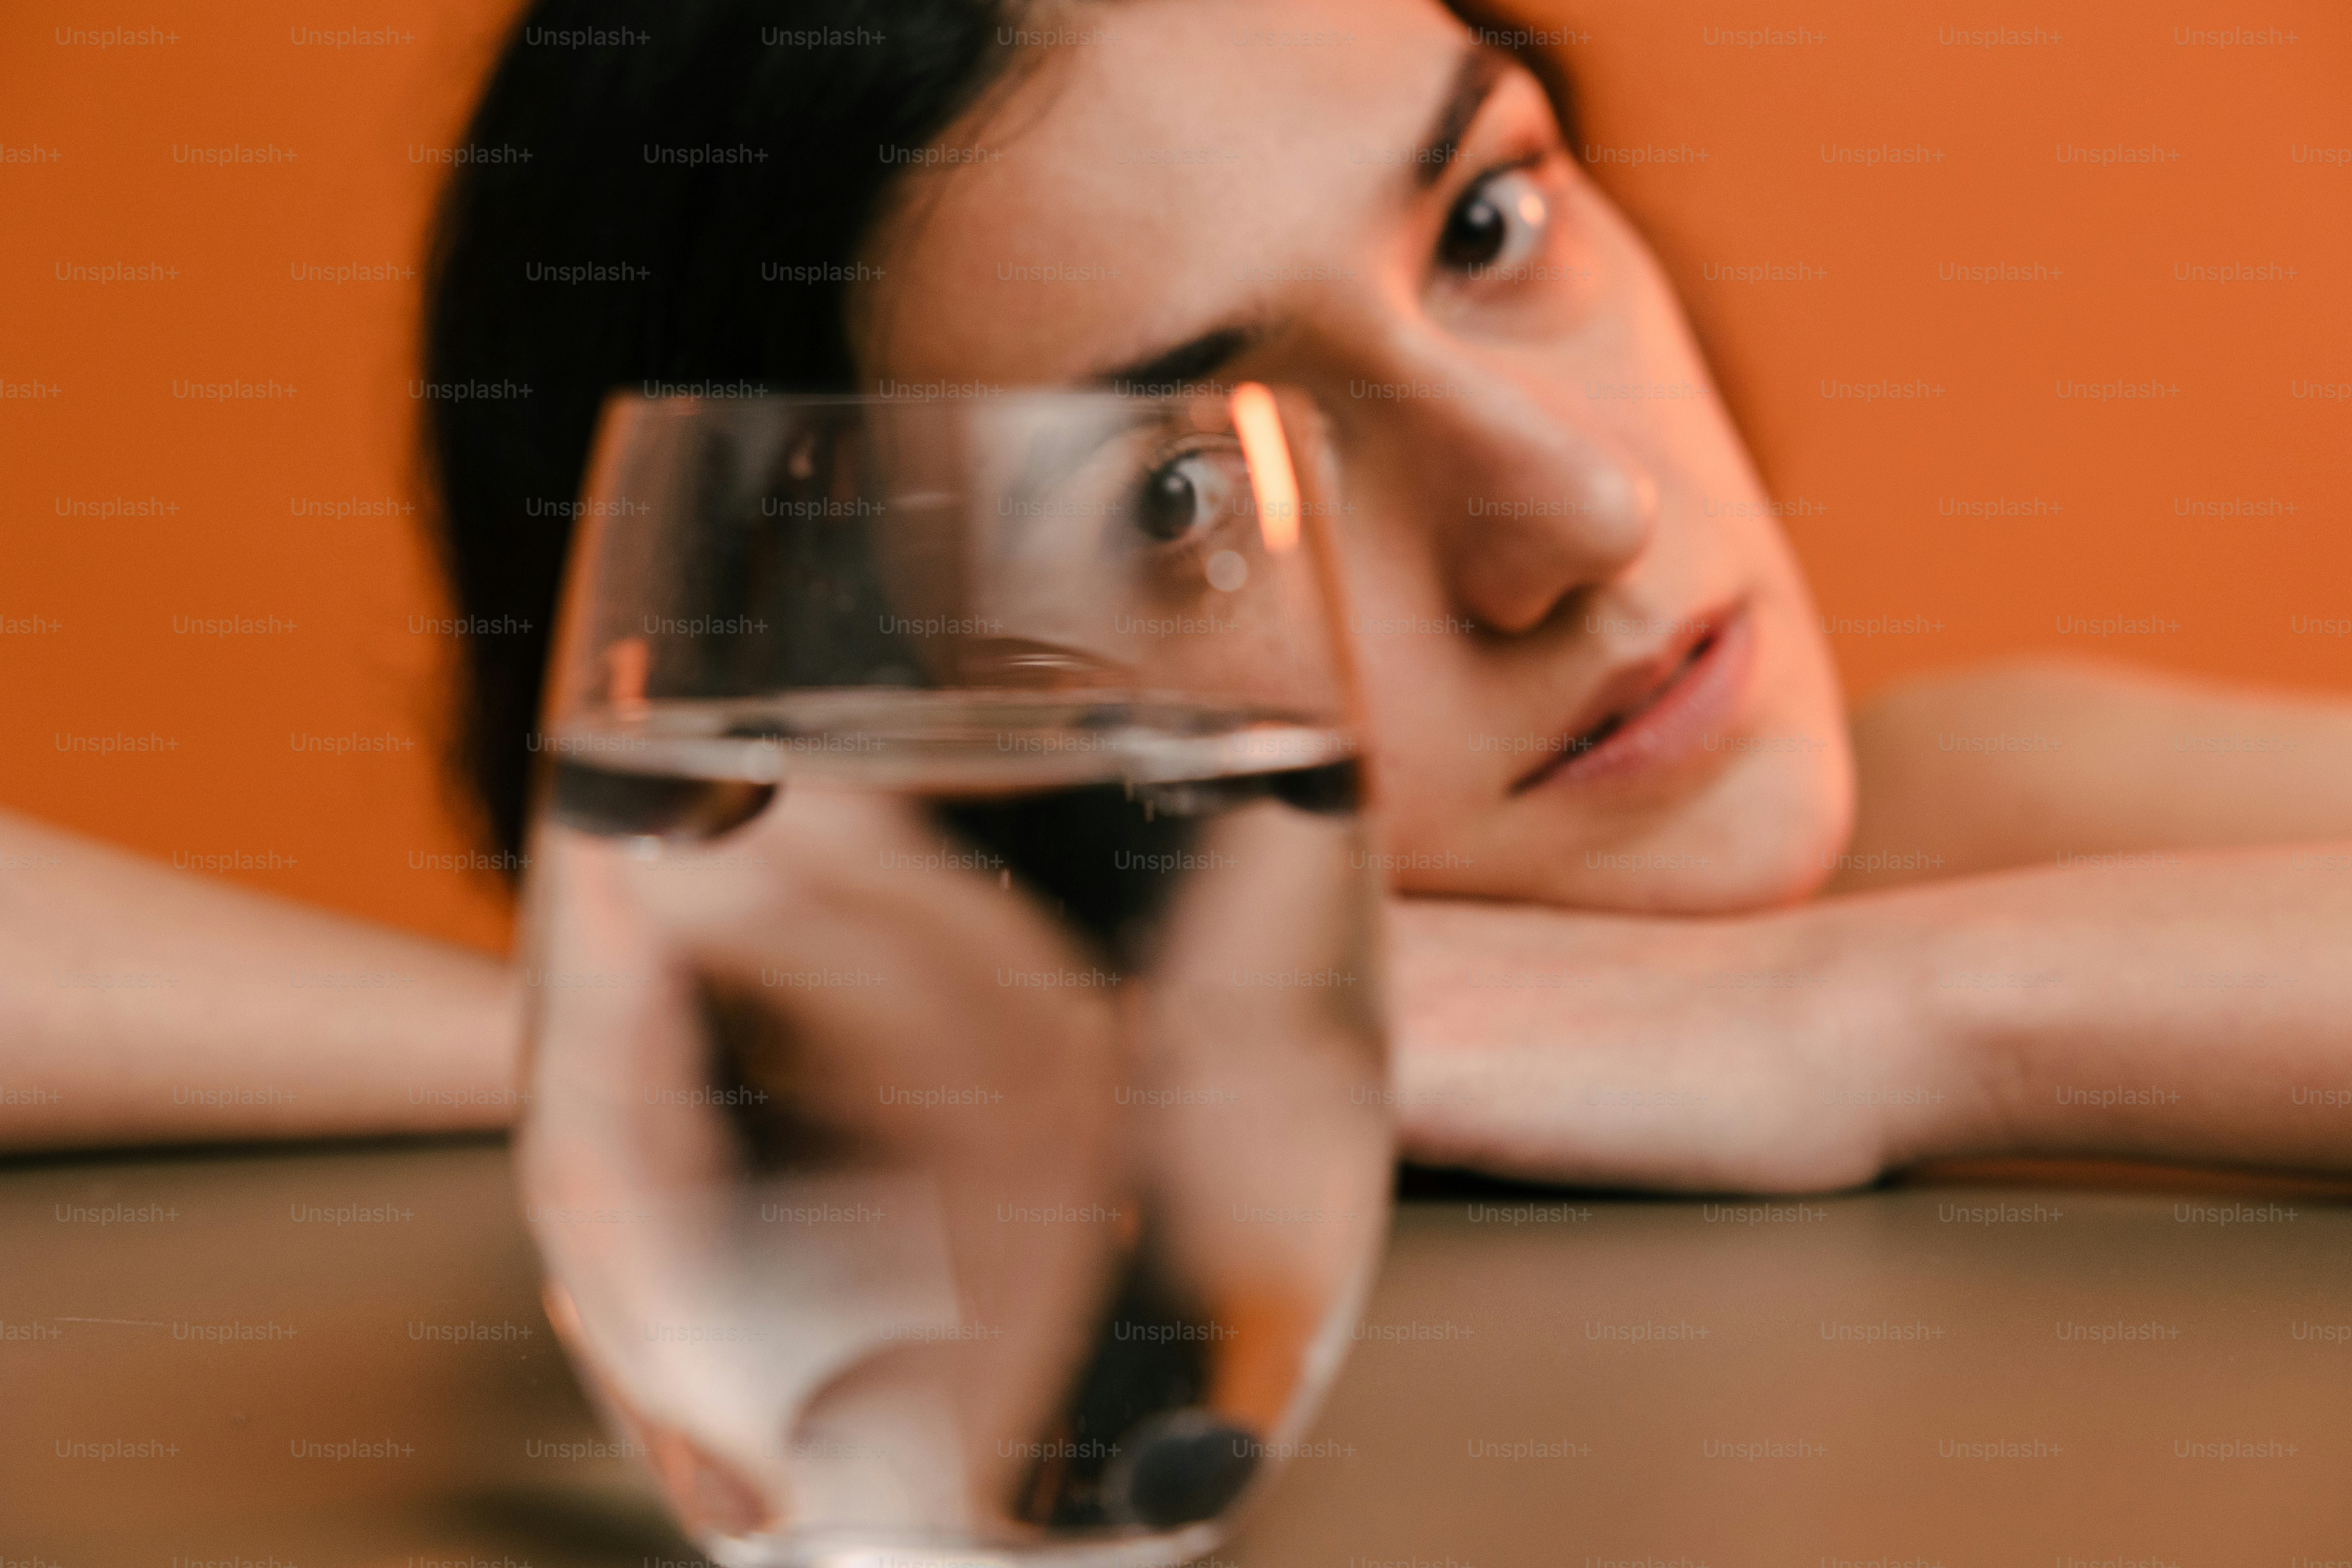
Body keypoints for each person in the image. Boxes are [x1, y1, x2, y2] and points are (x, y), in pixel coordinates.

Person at [10, 0, 2348, 1188]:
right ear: (815, 682)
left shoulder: (1977, 816)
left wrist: (1850, 1018)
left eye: (1485, 227)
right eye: (1172, 494)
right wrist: (739, 1017)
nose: (1580, 519)